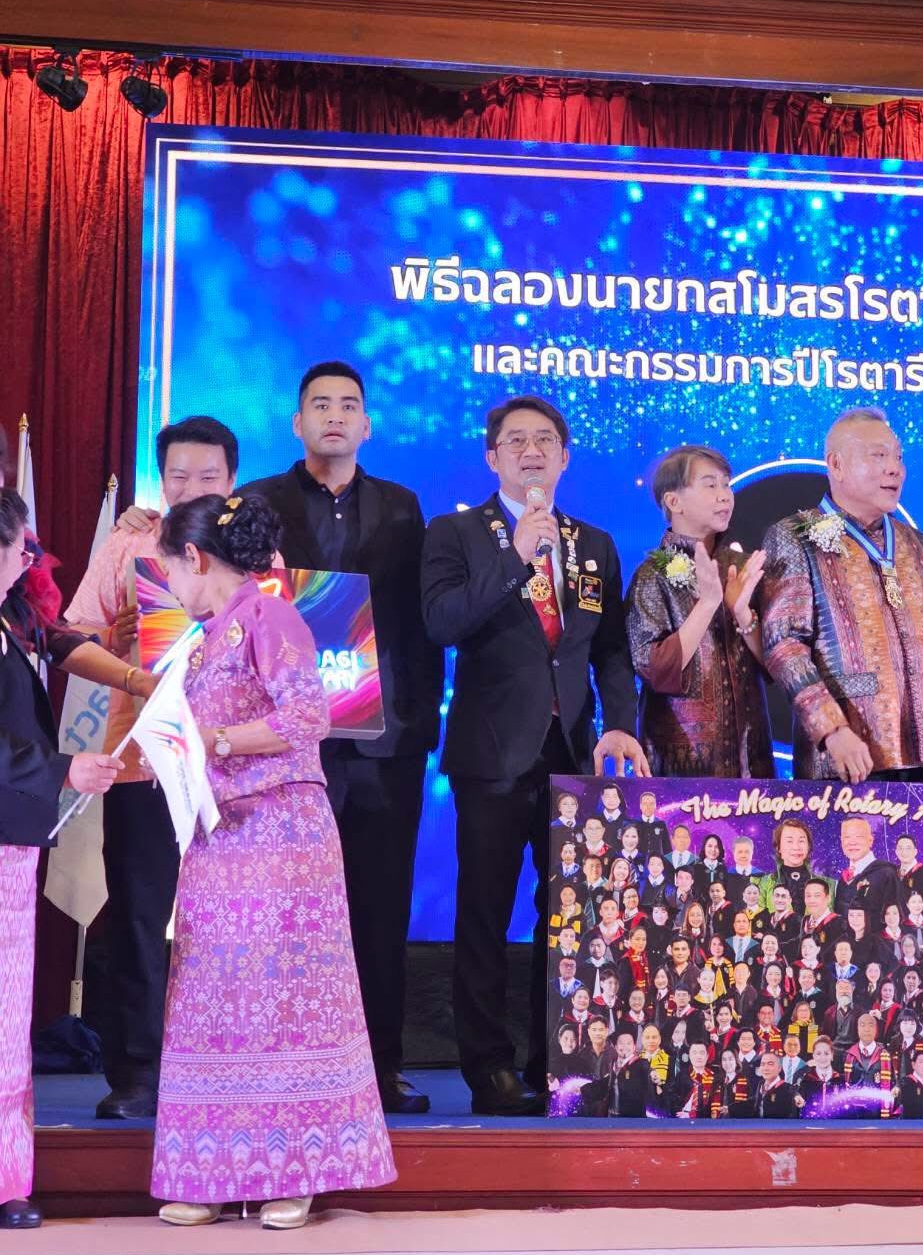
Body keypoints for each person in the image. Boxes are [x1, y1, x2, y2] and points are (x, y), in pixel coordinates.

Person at [149, 493, 393, 1228]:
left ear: (195, 558)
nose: (171, 588)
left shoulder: (268, 614)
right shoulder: (205, 637)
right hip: (218, 835)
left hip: (280, 830)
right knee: (216, 995)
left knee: (285, 997)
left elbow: (308, 716)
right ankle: (214, 1167)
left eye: (170, 571)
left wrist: (216, 743)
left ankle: (296, 1171)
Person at [421, 395, 646, 1115]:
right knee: (484, 915)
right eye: (516, 440)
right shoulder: (455, 533)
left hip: (571, 757)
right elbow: (442, 622)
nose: (531, 451)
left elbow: (610, 650)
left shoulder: (594, 543)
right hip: (491, 754)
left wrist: (620, 723)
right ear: (493, 458)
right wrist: (515, 558)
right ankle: (487, 1067)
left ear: (565, 456)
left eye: (545, 439)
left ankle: (558, 1060)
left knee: (569, 915)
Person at [233, 361, 444, 1113]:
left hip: (383, 742)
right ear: (297, 422)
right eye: (320, 404)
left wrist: (419, 717)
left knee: (380, 907)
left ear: (367, 424)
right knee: (283, 907)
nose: (334, 415)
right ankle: (280, 1063)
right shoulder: (257, 500)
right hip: (288, 744)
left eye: (348, 405)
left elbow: (417, 624)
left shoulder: (402, 505)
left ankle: (379, 1068)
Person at [66, 415, 240, 1120]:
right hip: (141, 757)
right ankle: (138, 1072)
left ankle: (222, 1063)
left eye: (208, 475)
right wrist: (124, 658)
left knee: (229, 918)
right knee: (139, 915)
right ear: (159, 479)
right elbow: (72, 636)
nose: (191, 487)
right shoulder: (130, 543)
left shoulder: (257, 546)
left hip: (234, 766)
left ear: (232, 478)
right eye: (177, 476)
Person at [0, 488, 125, 1230]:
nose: (30, 561)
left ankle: (6, 1176)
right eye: (21, 548)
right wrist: (61, 769)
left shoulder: (12, 614)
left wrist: (136, 679)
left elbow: (58, 638)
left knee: (8, 1013)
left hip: (10, 837)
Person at [760, 407, 923, 783]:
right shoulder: (795, 535)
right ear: (836, 464)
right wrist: (832, 729)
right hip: (844, 760)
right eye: (879, 456)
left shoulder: (920, 545)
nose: (894, 469)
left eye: (898, 457)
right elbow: (785, 645)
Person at [625, 445, 771, 777]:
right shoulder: (652, 575)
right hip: (681, 766)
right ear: (673, 501)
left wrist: (743, 615)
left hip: (751, 761)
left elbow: (777, 663)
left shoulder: (741, 567)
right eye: (710, 485)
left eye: (726, 484)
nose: (724, 495)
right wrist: (707, 605)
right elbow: (653, 669)